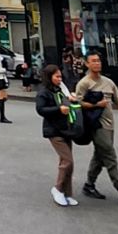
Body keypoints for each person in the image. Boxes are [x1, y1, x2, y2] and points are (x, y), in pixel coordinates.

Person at [74, 52, 118, 207]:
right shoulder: (84, 83)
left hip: (110, 126)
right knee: (110, 156)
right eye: (93, 61)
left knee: (99, 156)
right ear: (87, 64)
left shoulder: (108, 82)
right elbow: (77, 104)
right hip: (96, 126)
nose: (97, 63)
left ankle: (89, 185)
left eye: (99, 60)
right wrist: (96, 105)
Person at [35, 64, 78, 207]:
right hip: (53, 130)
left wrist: (72, 100)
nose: (60, 79)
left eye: (60, 76)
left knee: (67, 163)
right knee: (67, 161)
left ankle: (67, 193)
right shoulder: (43, 92)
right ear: (49, 77)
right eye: (57, 76)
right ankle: (58, 189)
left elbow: (67, 102)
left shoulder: (60, 89)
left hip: (66, 128)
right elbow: (40, 109)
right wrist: (59, 109)